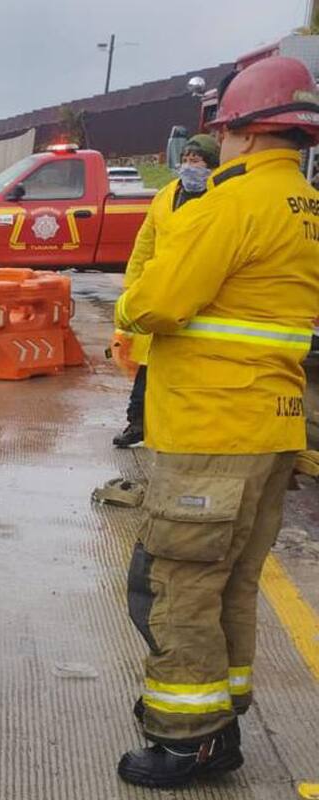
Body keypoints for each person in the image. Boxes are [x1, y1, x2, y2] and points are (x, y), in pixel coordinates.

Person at [113, 56, 319, 788]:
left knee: (180, 586)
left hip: (213, 433)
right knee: (231, 584)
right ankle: (221, 718)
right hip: (274, 430)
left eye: (226, 131)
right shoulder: (307, 206)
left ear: (244, 131)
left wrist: (129, 301)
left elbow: (156, 302)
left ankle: (190, 739)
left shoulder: (231, 207)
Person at [113, 134, 221, 448]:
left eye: (197, 160)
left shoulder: (223, 199)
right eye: (186, 160)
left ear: (212, 166)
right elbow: (144, 246)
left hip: (197, 300)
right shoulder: (165, 196)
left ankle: (180, 430)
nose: (189, 166)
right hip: (160, 293)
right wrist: (132, 290)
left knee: (185, 378)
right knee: (147, 372)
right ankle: (138, 423)